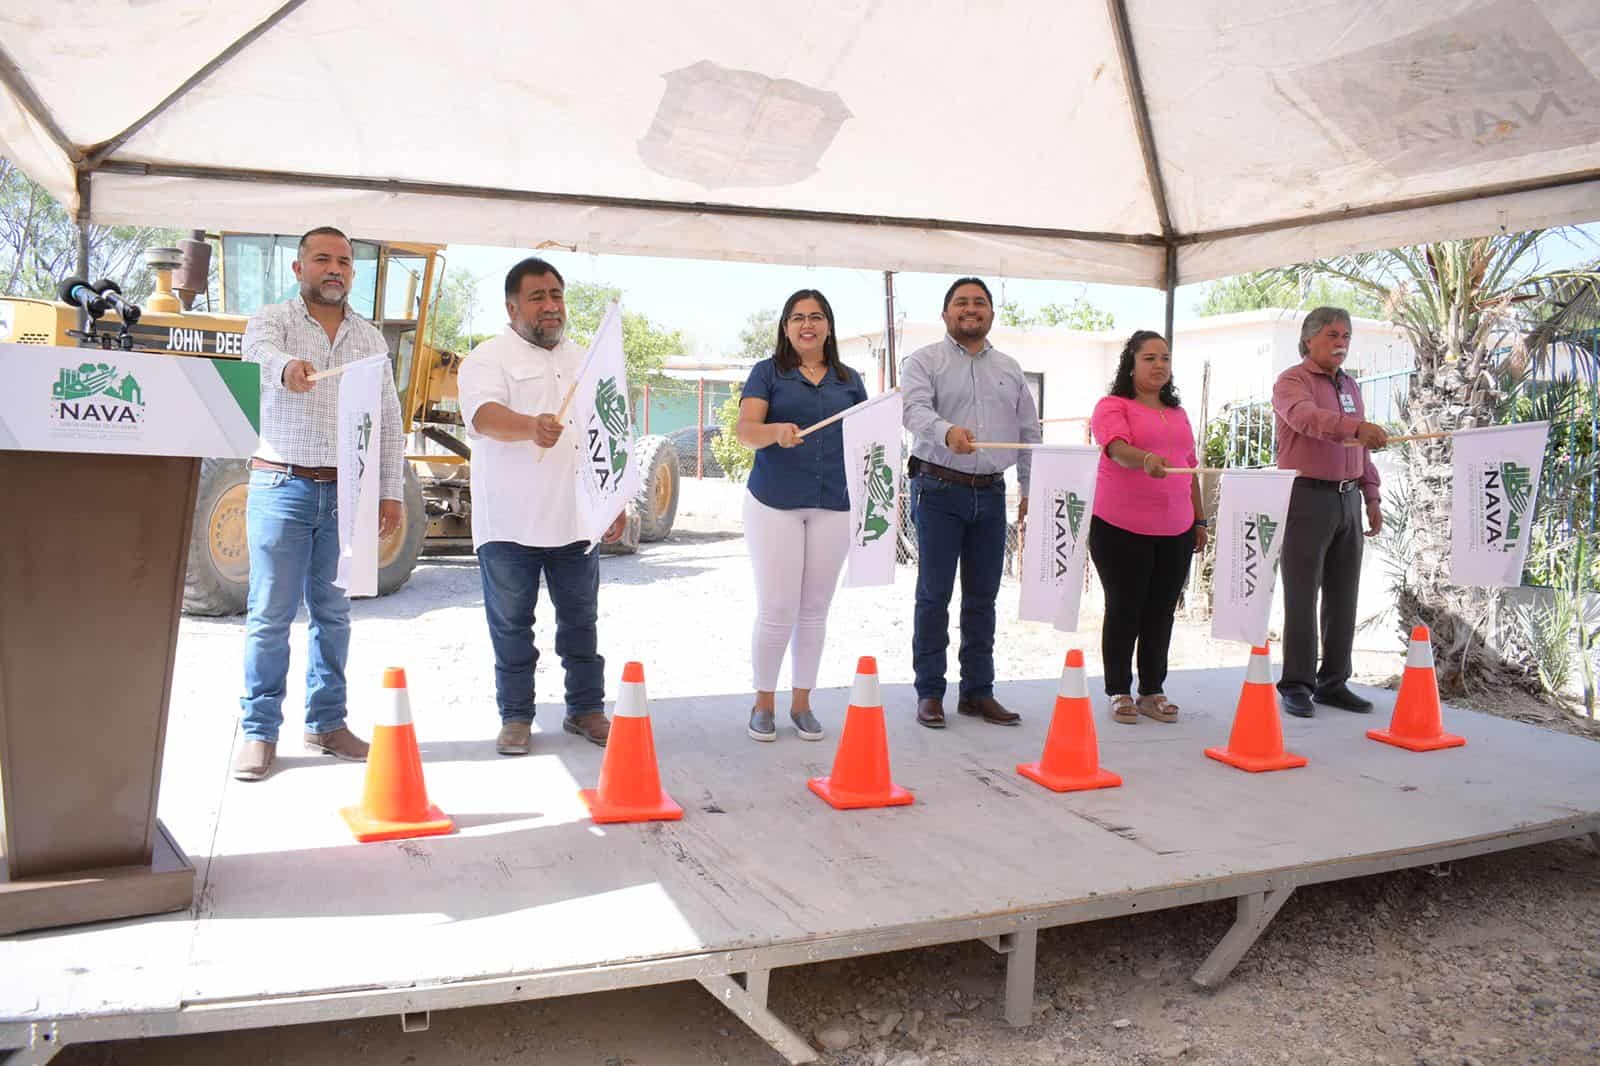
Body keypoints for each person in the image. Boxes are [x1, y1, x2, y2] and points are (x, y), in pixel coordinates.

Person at [233, 226, 406, 782]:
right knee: (270, 617)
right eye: (323, 259)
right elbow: (254, 350)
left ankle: (327, 725)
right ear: (298, 268)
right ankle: (259, 733)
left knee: (333, 616)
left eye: (345, 262)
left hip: (347, 493)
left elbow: (389, 421)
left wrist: (390, 491)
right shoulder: (273, 321)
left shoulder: (371, 339)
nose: (336, 269)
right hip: (282, 486)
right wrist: (285, 368)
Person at [456, 257, 625, 754]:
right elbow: (483, 417)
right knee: (511, 626)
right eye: (538, 297)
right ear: (512, 306)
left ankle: (586, 709)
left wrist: (614, 500)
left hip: (576, 519)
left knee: (581, 622)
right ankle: (516, 716)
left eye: (556, 295)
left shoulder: (585, 358)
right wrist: (530, 425)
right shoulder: (487, 358)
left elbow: (608, 429)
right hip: (509, 522)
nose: (551, 306)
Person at [902, 277, 1042, 729]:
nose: (971, 309)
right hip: (938, 490)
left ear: (991, 315)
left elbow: (1028, 435)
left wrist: (1030, 490)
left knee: (983, 598)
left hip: (993, 493)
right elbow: (913, 411)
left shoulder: (1011, 368)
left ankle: (978, 692)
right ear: (945, 314)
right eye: (961, 302)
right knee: (934, 595)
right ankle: (930, 692)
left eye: (979, 303)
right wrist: (946, 431)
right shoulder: (924, 361)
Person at [735, 290, 868, 742]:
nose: (806, 324)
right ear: (786, 327)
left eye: (815, 317)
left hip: (834, 503)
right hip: (775, 502)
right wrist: (775, 432)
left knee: (815, 610)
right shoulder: (766, 373)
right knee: (777, 607)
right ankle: (763, 702)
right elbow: (745, 432)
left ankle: (802, 703)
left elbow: (868, 435)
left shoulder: (850, 380)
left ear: (828, 326)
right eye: (797, 318)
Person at [1271, 306, 1388, 718]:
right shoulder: (1292, 381)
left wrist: (1370, 494)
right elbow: (1304, 419)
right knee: (1302, 595)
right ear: (1309, 339)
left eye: (1347, 336)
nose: (1341, 343)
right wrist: (1355, 428)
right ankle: (1297, 684)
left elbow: (1361, 445)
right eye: (1333, 335)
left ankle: (1333, 682)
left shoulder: (1350, 386)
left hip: (1348, 498)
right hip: (1306, 495)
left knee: (1343, 594)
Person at [1087, 330, 1207, 725]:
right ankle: (1118, 689)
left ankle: (1152, 691)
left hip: (1175, 528)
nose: (1159, 365)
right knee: (1125, 608)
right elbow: (1117, 449)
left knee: (1161, 612)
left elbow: (1190, 468)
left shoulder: (1179, 413)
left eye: (1165, 358)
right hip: (1120, 527)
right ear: (1131, 363)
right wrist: (1146, 459)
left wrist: (1199, 519)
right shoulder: (1111, 405)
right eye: (1150, 358)